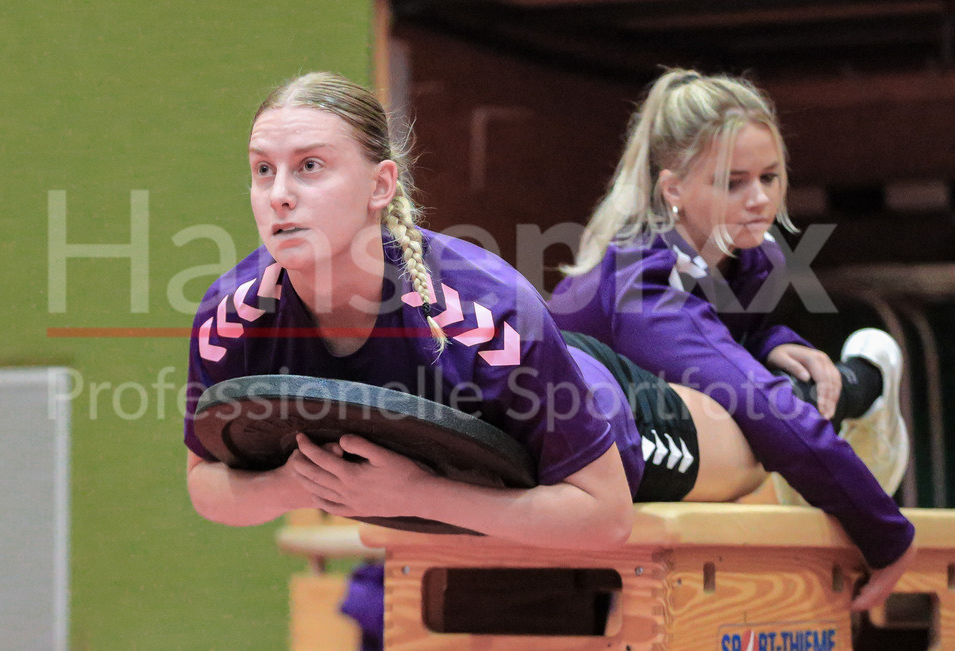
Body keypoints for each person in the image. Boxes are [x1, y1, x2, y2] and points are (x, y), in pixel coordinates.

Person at [184, 72, 778, 647]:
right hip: (517, 416)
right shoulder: (228, 318)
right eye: (263, 169)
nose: (280, 192)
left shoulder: (483, 307)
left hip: (618, 420)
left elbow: (605, 516)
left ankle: (845, 377)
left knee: (763, 439)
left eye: (310, 166)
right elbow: (207, 486)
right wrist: (296, 482)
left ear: (380, 185)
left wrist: (414, 495)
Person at [549, 68, 916, 612]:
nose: (759, 199)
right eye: (733, 182)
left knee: (770, 401)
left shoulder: (755, 257)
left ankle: (863, 389)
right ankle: (868, 387)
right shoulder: (645, 284)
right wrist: (888, 536)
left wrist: (770, 340)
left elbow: (722, 338)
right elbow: (755, 399)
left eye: (770, 177)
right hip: (583, 455)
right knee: (766, 415)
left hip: (645, 444)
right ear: (673, 189)